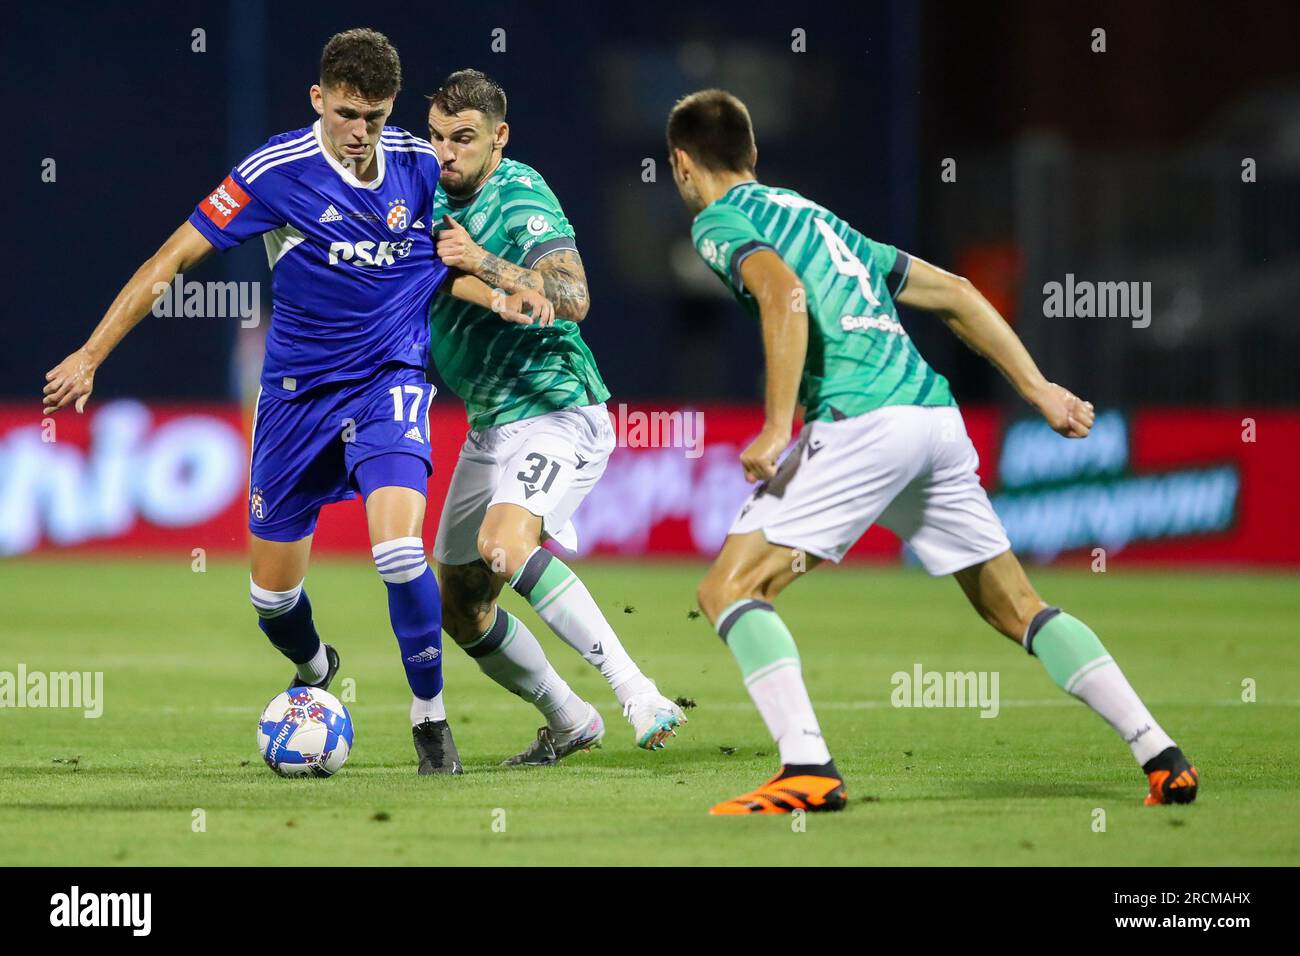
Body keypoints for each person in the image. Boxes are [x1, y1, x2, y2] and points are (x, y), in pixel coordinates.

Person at [666, 89, 1198, 815]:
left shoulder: (720, 222)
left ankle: (807, 768)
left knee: (728, 590)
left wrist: (777, 424)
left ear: (681, 164)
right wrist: (1038, 389)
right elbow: (956, 292)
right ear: (754, 155)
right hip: (934, 420)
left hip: (862, 422)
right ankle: (1160, 754)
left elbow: (783, 297)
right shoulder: (823, 220)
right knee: (1018, 608)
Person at [41, 29, 550, 777]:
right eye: (347, 114)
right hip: (293, 402)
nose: (360, 133)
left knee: (401, 550)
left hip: (390, 385)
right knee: (272, 603)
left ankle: (431, 724)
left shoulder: (416, 164)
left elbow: (435, 262)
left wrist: (504, 289)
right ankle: (317, 673)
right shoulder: (275, 172)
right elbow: (172, 259)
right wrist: (92, 353)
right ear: (319, 100)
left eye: (375, 117)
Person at [425, 69, 687, 765]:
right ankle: (570, 720)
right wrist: (485, 290)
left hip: (557, 410)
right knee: (460, 603)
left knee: (504, 545)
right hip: (490, 425)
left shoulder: (520, 196)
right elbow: (439, 277)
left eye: (464, 139)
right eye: (437, 138)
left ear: (498, 139)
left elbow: (573, 295)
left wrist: (486, 262)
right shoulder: (424, 195)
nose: (447, 153)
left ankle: (638, 694)